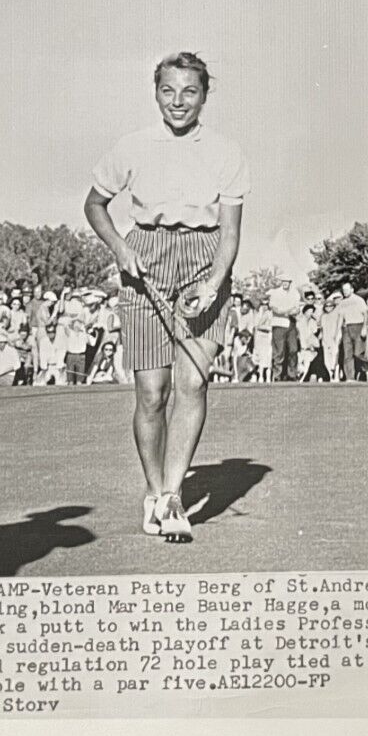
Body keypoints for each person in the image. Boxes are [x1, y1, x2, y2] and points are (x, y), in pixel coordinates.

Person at [85, 51, 248, 543]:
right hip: (145, 259)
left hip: (203, 261)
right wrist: (121, 249)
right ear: (156, 93)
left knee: (192, 384)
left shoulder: (225, 152)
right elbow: (94, 205)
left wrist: (213, 283)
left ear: (204, 96)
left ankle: (174, 495)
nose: (178, 101)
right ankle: (155, 492)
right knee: (152, 393)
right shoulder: (132, 147)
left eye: (189, 92)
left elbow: (230, 233)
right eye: (168, 91)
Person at [267, 278, 301, 382]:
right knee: (279, 351)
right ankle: (277, 374)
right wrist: (286, 311)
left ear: (290, 282)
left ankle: (292, 374)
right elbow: (274, 307)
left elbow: (297, 309)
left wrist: (288, 312)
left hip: (291, 323)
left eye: (287, 281)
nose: (285, 283)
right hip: (279, 324)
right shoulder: (275, 293)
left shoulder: (294, 293)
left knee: (293, 350)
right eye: (283, 281)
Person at [317, 294, 342, 384]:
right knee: (327, 360)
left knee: (335, 358)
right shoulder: (323, 316)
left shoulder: (337, 314)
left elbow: (339, 326)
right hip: (325, 339)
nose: (328, 307)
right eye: (326, 306)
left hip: (334, 338)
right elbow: (321, 329)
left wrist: (337, 337)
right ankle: (331, 376)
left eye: (330, 306)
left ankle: (336, 375)